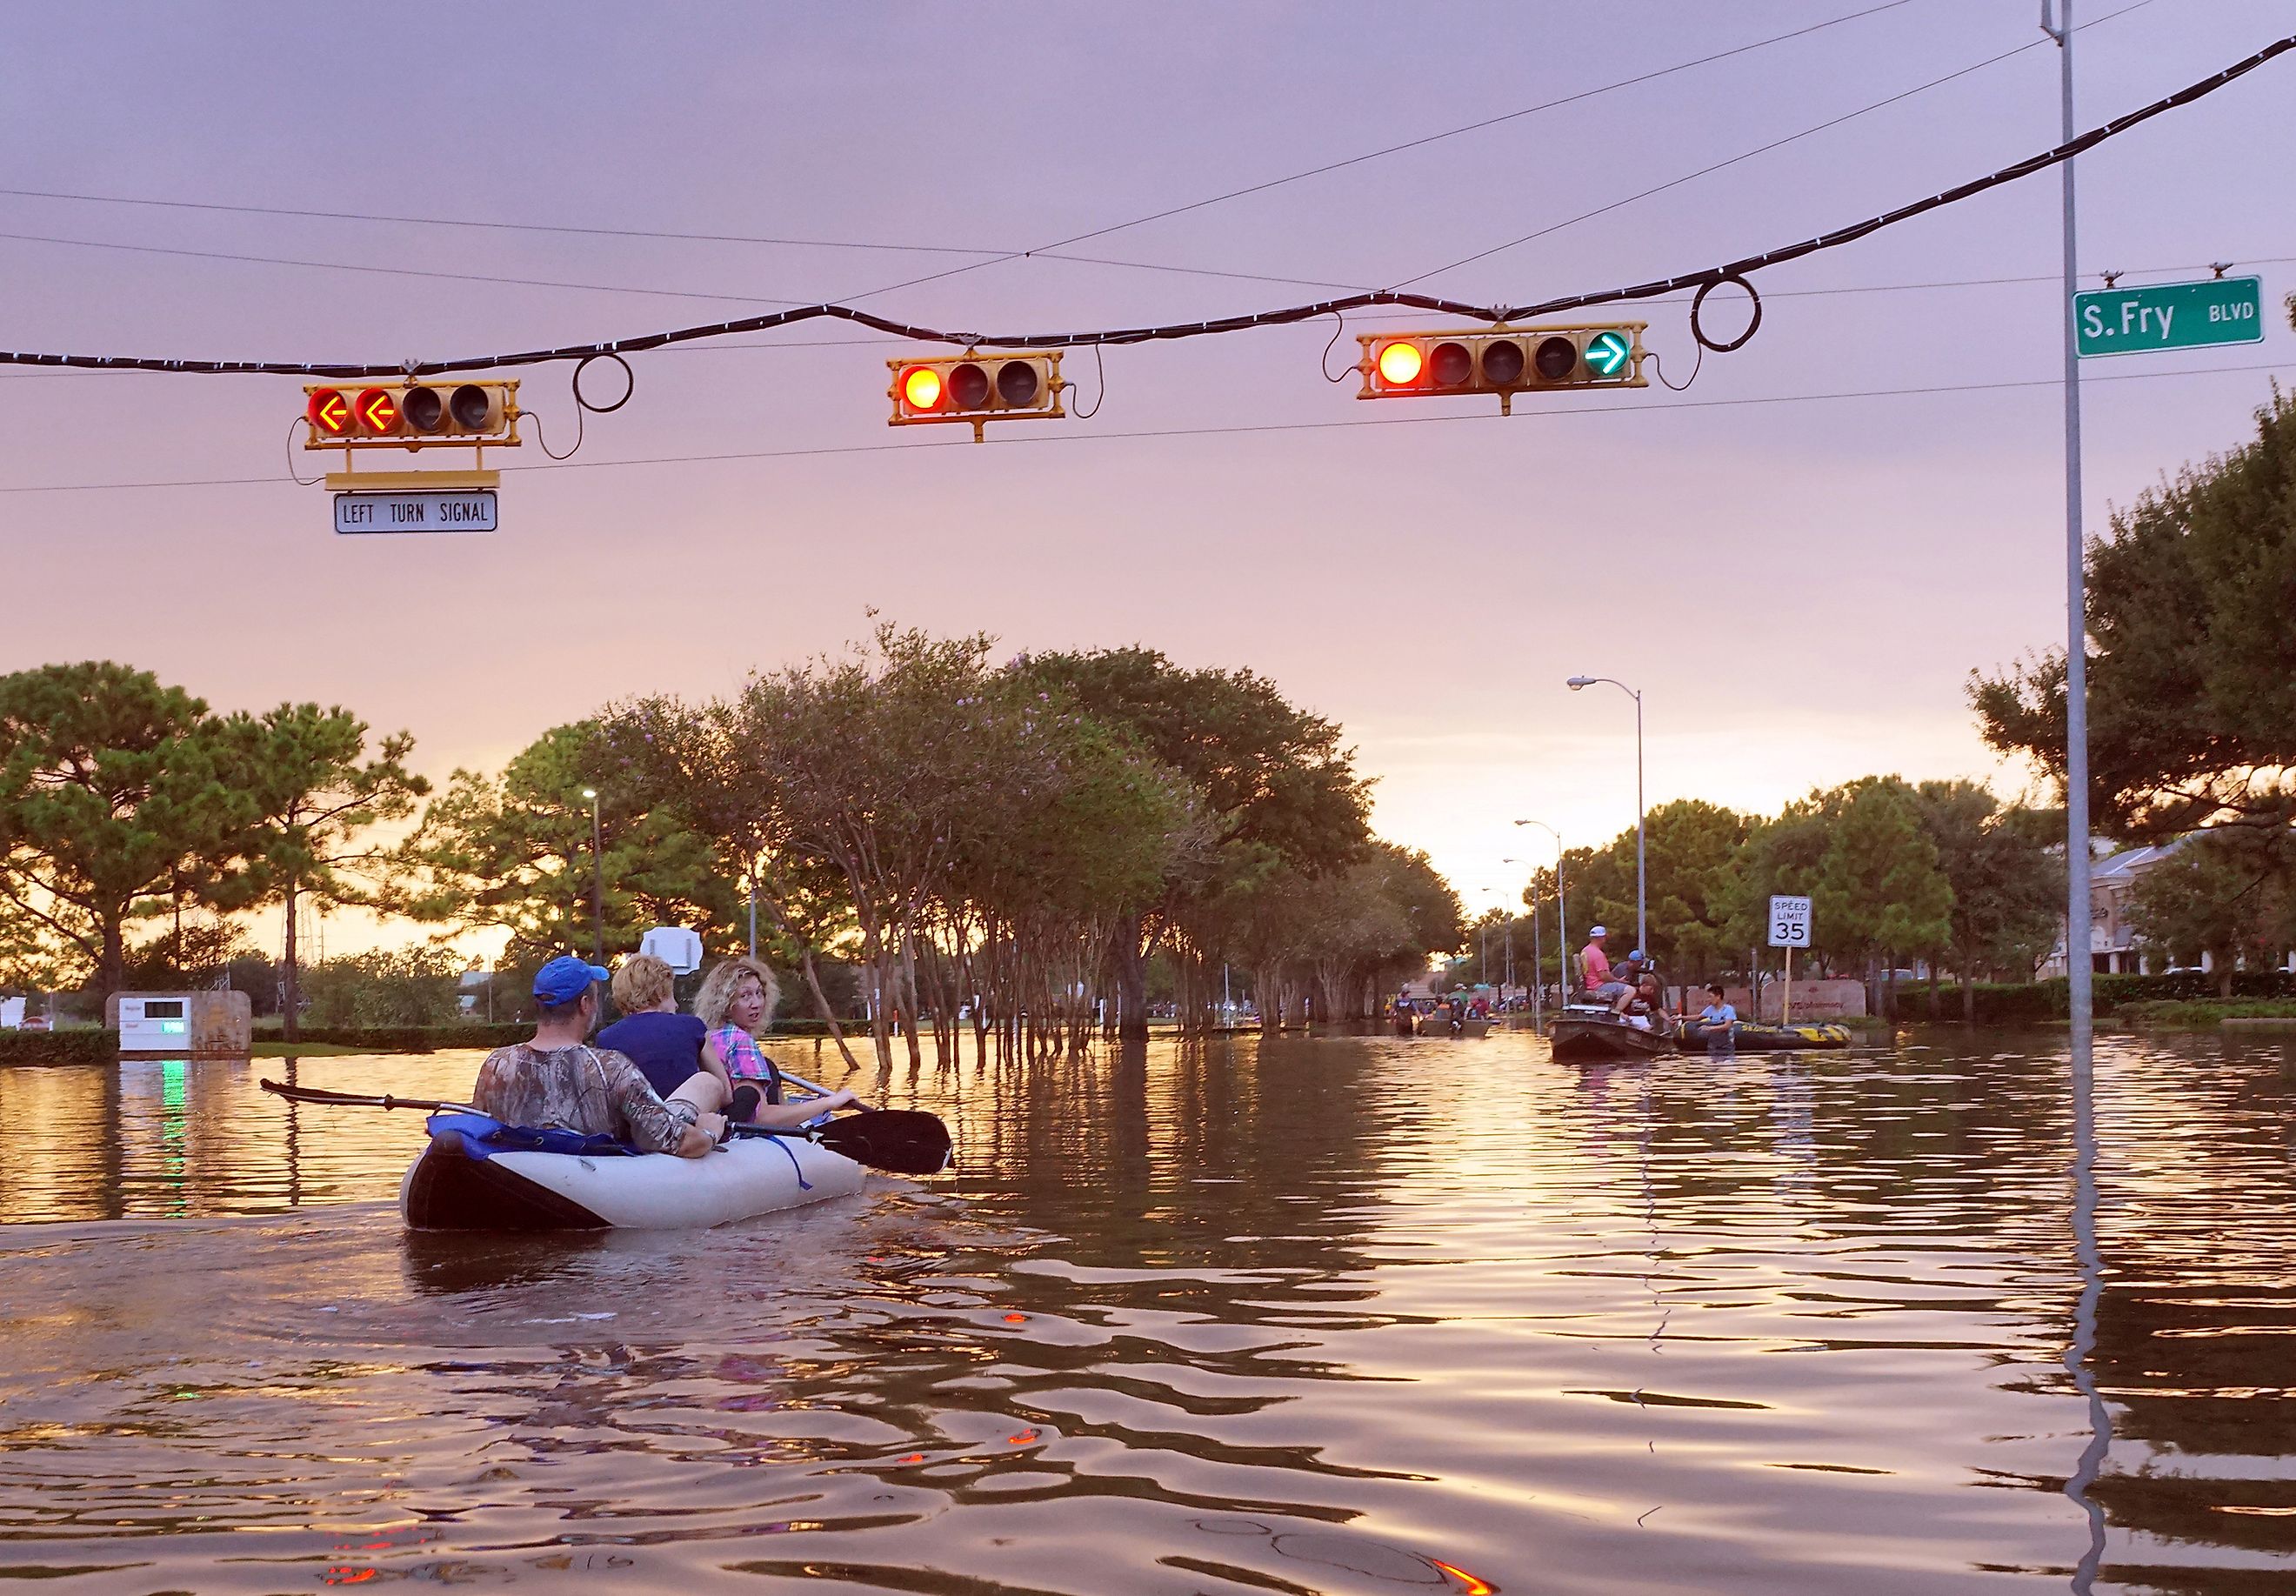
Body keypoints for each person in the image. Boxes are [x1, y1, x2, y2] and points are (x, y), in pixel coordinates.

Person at [472, 955, 728, 1157]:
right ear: (585, 1004)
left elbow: (480, 1127)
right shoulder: (611, 1067)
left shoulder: (497, 1065)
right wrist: (708, 1130)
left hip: (528, 1167)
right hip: (594, 1177)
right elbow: (681, 1143)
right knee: (707, 1083)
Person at [692, 954, 865, 1130]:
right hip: (742, 1137)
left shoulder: (708, 1036)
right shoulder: (740, 1040)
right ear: (726, 1003)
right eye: (745, 996)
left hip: (716, 1128)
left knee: (770, 1067)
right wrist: (831, 1102)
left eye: (759, 993)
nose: (756, 1003)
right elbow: (762, 1118)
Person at [596, 953, 733, 1101]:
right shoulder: (693, 1027)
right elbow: (725, 1094)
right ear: (661, 994)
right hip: (682, 1120)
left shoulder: (605, 1039)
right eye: (672, 994)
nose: (676, 1004)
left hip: (631, 1121)